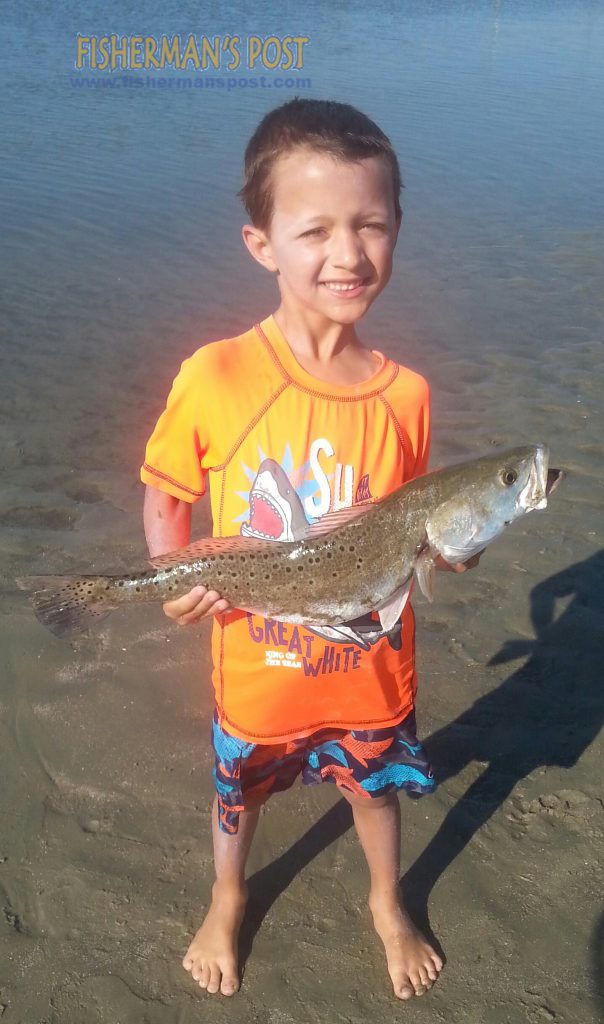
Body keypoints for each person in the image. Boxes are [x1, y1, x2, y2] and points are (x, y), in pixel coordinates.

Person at [141, 98, 477, 1001]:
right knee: (238, 798)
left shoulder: (407, 394)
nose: (347, 254)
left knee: (375, 794)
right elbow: (166, 491)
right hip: (258, 667)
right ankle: (226, 894)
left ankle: (386, 901)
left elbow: (410, 520)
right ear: (262, 244)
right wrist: (176, 580)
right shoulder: (217, 374)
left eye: (370, 225)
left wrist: (449, 549)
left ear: (399, 229)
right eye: (315, 230)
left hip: (369, 668)